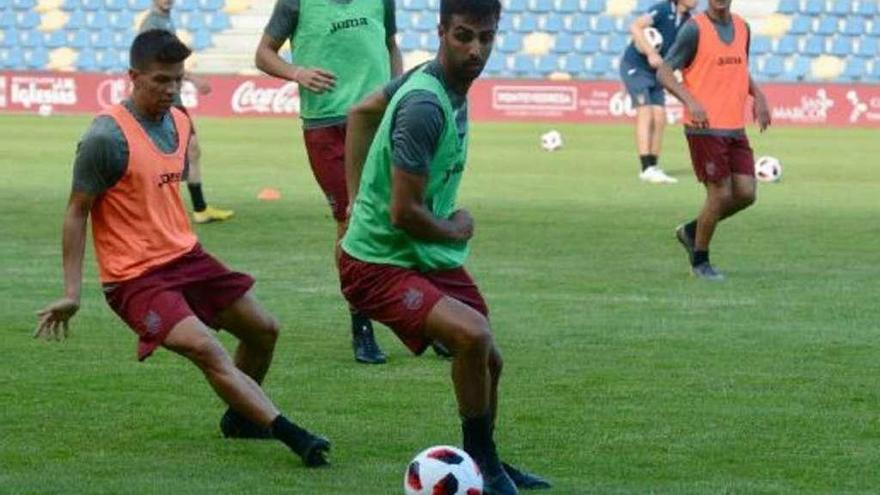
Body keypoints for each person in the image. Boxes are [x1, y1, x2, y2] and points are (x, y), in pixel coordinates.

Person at [34, 30, 329, 467]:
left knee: (263, 329)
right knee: (206, 348)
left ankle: (241, 419)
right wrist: (73, 293)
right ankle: (291, 434)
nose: (171, 90)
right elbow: (77, 212)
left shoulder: (180, 119)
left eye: (177, 79)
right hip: (134, 278)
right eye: (160, 81)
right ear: (133, 76)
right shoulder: (104, 138)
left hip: (187, 258)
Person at [340, 1, 549, 493]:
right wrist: (457, 227)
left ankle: (484, 460)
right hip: (377, 263)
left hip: (417, 255)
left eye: (486, 37)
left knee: (488, 355)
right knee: (472, 336)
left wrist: (353, 198)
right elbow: (403, 212)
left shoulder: (442, 83)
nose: (475, 49)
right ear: (441, 31)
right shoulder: (425, 106)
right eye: (463, 36)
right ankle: (486, 468)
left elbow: (362, 110)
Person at [254, 0, 405, 365]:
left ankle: (426, 318)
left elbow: (389, 44)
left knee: (403, 214)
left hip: (377, 119)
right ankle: (361, 324)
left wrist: (397, 91)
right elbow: (262, 54)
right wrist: (297, 73)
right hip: (327, 125)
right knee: (350, 222)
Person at [656, 0, 770, 280]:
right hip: (704, 128)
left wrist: (759, 95)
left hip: (734, 126)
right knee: (719, 195)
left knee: (745, 194)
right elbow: (664, 71)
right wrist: (690, 101)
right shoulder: (694, 30)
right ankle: (700, 261)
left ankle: (691, 231)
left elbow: (741, 69)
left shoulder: (743, 27)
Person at [139, 0, 234, 224]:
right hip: (163, 95)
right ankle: (160, 209)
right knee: (170, 151)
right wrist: (192, 79)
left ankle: (199, 208)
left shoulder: (163, 20)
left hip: (171, 95)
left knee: (190, 148)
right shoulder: (153, 22)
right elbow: (156, 59)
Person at [619, 0, 697, 184]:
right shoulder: (662, 9)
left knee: (660, 116)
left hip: (658, 72)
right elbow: (636, 27)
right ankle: (645, 167)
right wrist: (650, 53)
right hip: (635, 66)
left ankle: (652, 166)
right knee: (645, 112)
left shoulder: (688, 21)